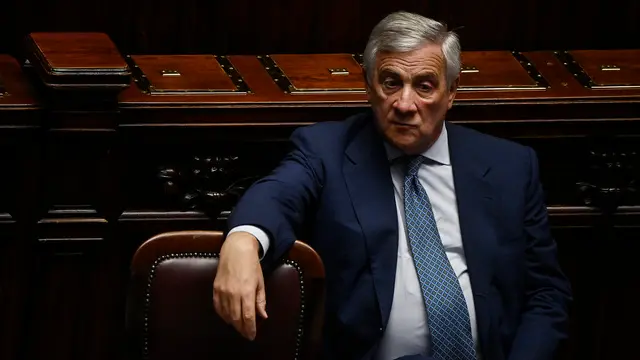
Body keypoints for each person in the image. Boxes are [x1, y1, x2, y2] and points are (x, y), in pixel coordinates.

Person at [213, 11, 572, 360]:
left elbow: (545, 293)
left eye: (424, 86)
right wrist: (243, 240)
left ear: (452, 92)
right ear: (369, 87)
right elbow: (277, 194)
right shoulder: (326, 151)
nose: (404, 104)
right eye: (391, 82)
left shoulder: (510, 166)